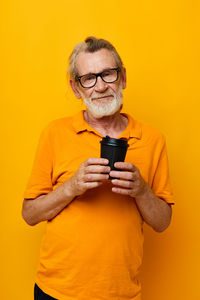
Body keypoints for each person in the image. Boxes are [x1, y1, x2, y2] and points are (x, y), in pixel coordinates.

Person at [22, 36, 174, 300]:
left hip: (121, 293)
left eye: (107, 74)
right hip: (57, 292)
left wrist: (141, 190)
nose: (100, 86)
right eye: (88, 78)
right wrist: (72, 186)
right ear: (75, 87)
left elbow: (162, 222)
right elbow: (30, 214)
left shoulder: (153, 139)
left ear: (123, 77)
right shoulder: (54, 133)